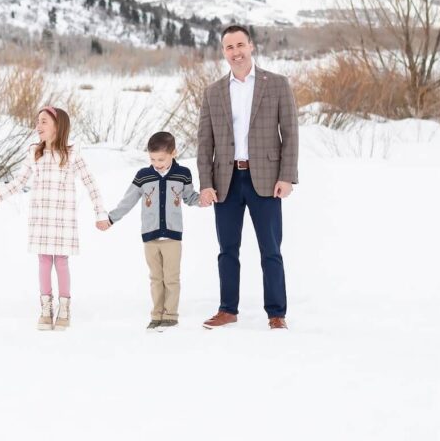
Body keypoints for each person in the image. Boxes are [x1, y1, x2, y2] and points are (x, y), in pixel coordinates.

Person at [197, 25, 299, 330]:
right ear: (223, 52)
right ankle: (228, 309)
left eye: (240, 45)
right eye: (229, 47)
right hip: (226, 180)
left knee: (271, 249)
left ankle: (276, 313)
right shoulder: (213, 92)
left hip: (266, 178)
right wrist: (205, 183)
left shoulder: (277, 84)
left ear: (251, 46)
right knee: (227, 248)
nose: (236, 52)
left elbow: (291, 134)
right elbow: (205, 142)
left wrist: (287, 177)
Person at [0, 106, 110, 330]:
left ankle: (64, 307)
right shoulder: (34, 153)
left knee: (62, 262)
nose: (39, 126)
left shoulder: (72, 154)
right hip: (41, 217)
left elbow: (90, 183)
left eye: (44, 121)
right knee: (44, 261)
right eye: (38, 121)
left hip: (63, 219)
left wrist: (100, 213)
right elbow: (19, 181)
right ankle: (46, 307)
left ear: (59, 126)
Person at [104, 131, 200, 331]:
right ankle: (157, 315)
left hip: (173, 237)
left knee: (171, 278)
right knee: (156, 278)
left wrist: (203, 200)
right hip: (150, 237)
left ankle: (170, 315)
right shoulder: (143, 176)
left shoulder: (183, 173)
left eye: (161, 159)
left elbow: (190, 198)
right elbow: (128, 200)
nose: (157, 163)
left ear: (173, 153)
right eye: (153, 159)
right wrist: (111, 218)